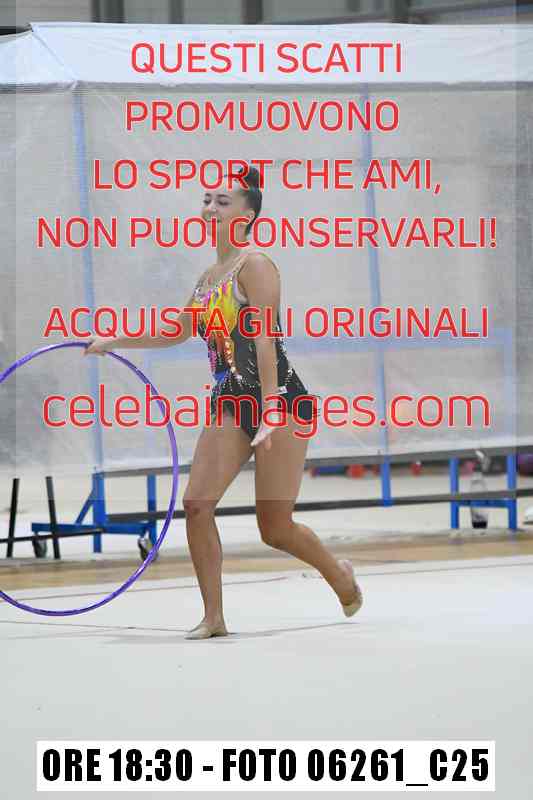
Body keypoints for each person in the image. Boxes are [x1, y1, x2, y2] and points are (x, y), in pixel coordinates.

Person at [85, 165, 363, 639]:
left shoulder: (256, 265)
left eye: (222, 201)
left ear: (247, 215)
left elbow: (266, 339)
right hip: (230, 401)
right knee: (196, 504)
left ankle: (339, 575)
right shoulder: (207, 278)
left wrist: (270, 409)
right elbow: (176, 331)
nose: (210, 207)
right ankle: (213, 617)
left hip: (281, 403)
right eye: (207, 199)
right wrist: (115, 341)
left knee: (274, 528)